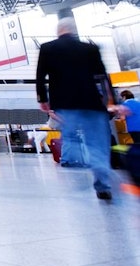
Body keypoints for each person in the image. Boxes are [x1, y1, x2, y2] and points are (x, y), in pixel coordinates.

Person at [36, 17, 116, 201]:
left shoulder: (48, 48)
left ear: (59, 30)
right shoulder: (91, 48)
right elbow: (102, 76)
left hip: (65, 103)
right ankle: (102, 180)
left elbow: (41, 75)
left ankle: (74, 164)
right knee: (97, 144)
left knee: (71, 136)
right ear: (74, 31)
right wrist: (111, 100)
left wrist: (43, 98)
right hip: (92, 102)